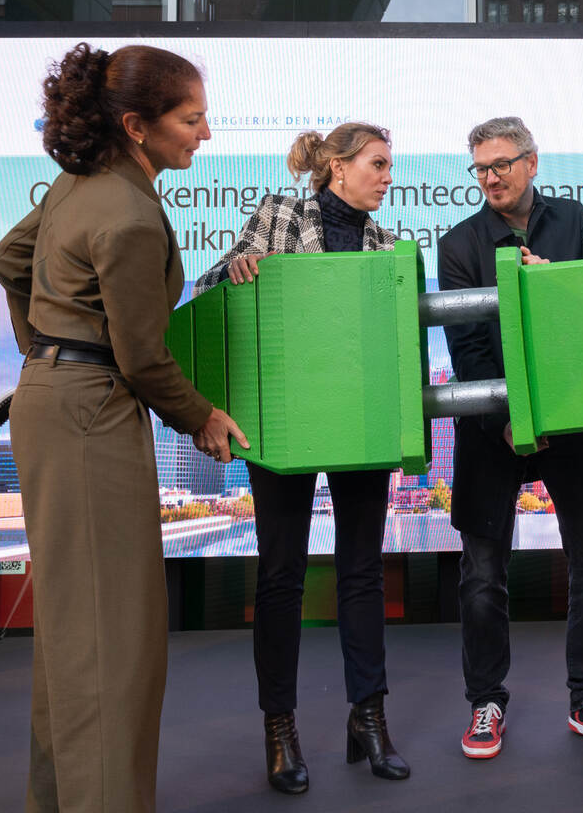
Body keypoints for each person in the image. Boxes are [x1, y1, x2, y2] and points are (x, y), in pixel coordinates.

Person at [0, 42, 246, 812]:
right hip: (90, 415)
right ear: (137, 126)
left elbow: (11, 259)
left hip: (56, 404)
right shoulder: (131, 213)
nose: (204, 134)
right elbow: (141, 355)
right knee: (118, 647)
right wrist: (202, 417)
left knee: (77, 637)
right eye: (191, 119)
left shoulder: (80, 184)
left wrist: (44, 347)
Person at [193, 122, 409, 792]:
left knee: (363, 573)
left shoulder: (389, 244)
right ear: (337, 168)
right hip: (282, 424)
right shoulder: (282, 212)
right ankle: (279, 729)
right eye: (376, 163)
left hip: (359, 425)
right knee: (281, 577)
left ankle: (368, 718)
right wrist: (235, 268)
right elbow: (212, 292)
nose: (387, 175)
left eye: (389, 165)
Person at [438, 116, 583, 758]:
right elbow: (467, 350)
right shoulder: (458, 243)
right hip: (496, 430)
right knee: (482, 577)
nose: (490, 178)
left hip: (576, 423)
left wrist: (552, 285)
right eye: (480, 168)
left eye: (500, 164)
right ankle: (486, 705)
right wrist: (512, 423)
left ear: (531, 163)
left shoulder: (573, 220)